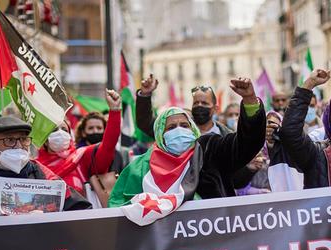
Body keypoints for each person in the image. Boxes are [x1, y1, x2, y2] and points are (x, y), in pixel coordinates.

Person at [109, 77, 266, 224]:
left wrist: (250, 101)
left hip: (213, 230)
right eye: (171, 127)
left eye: (184, 126)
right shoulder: (141, 166)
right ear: (160, 135)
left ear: (193, 129)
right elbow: (119, 206)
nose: (179, 130)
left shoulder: (210, 147)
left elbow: (247, 142)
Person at [37, 89, 121, 196]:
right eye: (54, 130)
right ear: (44, 138)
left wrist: (115, 111)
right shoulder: (35, 167)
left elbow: (108, 145)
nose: (60, 133)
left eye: (64, 130)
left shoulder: (81, 158)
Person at [136, 74, 233, 138]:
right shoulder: (179, 129)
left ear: (215, 109)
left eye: (204, 103)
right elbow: (145, 123)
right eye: (196, 103)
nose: (199, 106)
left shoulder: (227, 135)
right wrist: (145, 95)